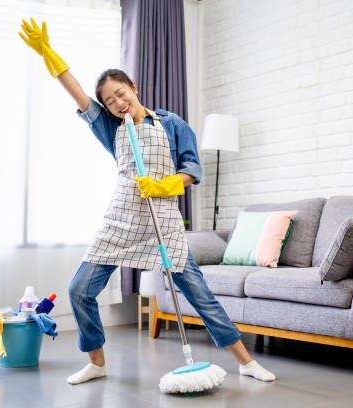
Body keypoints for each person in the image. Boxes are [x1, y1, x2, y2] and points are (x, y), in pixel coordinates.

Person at [19, 18, 276, 385]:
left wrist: (165, 184)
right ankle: (97, 362)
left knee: (201, 298)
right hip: (120, 222)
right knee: (80, 290)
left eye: (120, 93)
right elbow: (76, 92)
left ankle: (246, 362)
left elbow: (191, 169)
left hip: (163, 226)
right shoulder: (110, 129)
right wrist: (48, 53)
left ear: (133, 87)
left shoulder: (172, 124)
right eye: (109, 101)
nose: (117, 102)